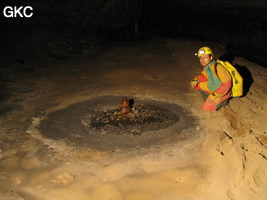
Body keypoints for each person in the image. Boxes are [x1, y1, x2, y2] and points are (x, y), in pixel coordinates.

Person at [191, 47, 232, 111]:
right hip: (212, 87)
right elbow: (205, 77)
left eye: (206, 57)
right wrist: (195, 80)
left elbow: (227, 85)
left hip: (220, 92)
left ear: (211, 57)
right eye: (201, 58)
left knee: (206, 108)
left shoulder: (218, 67)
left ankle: (224, 99)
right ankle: (211, 97)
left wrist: (213, 95)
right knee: (197, 86)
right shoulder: (207, 67)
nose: (203, 60)